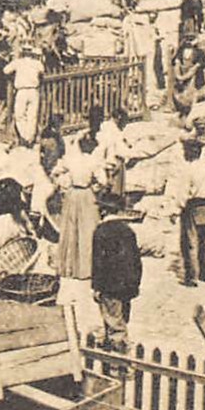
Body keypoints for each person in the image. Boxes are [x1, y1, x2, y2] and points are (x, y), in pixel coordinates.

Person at [53, 130, 104, 331]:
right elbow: (104, 180)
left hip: (73, 195)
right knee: (87, 232)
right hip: (86, 196)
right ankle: (85, 266)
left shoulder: (71, 159)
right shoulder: (94, 162)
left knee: (70, 232)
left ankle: (69, 265)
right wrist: (96, 188)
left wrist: (63, 184)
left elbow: (56, 171)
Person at [166, 137, 205, 286]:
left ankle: (192, 277)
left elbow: (183, 195)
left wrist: (175, 211)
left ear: (189, 152)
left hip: (193, 207)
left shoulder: (188, 171)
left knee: (190, 242)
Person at [90, 200, 142, 350]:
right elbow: (136, 260)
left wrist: (96, 287)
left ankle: (119, 359)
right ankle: (110, 346)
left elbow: (98, 263)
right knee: (121, 318)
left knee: (114, 321)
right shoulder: (128, 231)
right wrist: (135, 284)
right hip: (128, 284)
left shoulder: (101, 232)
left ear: (103, 212)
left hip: (109, 285)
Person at [4, 46, 45, 146]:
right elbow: (42, 70)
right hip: (33, 90)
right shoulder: (37, 63)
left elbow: (5, 70)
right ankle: (30, 137)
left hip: (22, 91)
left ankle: (24, 136)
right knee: (32, 116)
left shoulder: (18, 62)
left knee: (19, 115)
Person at [170, 33, 205, 119]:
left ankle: (191, 116)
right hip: (182, 76)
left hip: (194, 78)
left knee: (192, 98)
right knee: (181, 96)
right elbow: (174, 60)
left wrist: (197, 65)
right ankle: (183, 113)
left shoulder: (198, 52)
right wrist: (177, 63)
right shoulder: (181, 51)